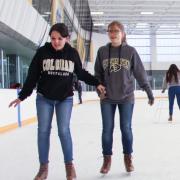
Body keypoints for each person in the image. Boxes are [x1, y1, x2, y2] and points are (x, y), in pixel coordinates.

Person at [9, 23, 105, 180]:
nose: (56, 41)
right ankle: (43, 168)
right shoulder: (42, 52)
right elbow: (32, 76)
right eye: (53, 38)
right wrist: (22, 95)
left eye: (60, 38)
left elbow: (80, 73)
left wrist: (97, 82)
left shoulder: (72, 53)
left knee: (63, 131)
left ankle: (69, 166)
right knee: (43, 131)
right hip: (44, 98)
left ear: (66, 38)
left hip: (65, 99)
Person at [94, 21, 154, 174]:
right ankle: (107, 159)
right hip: (107, 97)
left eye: (116, 31)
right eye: (110, 31)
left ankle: (128, 157)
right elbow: (97, 74)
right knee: (107, 130)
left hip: (126, 97)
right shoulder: (102, 51)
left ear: (122, 33)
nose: (112, 34)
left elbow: (140, 73)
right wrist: (98, 88)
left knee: (126, 129)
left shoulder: (131, 52)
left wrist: (148, 91)